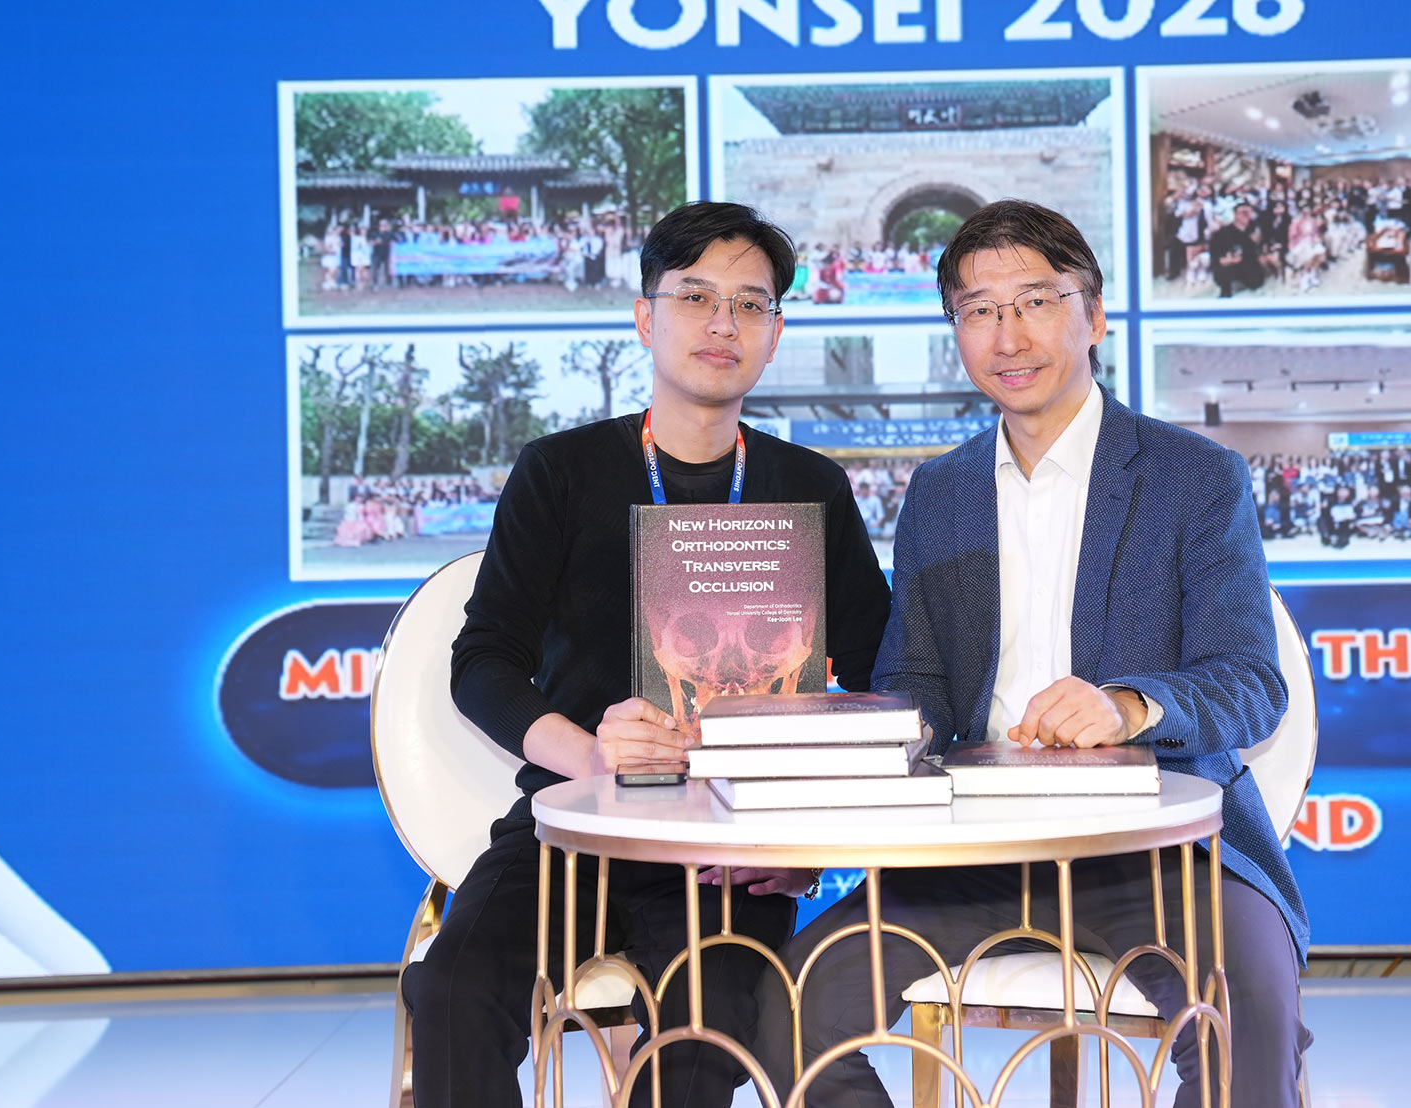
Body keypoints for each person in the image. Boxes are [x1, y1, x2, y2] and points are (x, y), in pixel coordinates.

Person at [758, 200, 1309, 1108]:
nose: (1006, 336)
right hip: (971, 849)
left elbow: (1249, 682)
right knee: (785, 1010)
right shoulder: (940, 491)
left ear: (1093, 315)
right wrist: (848, 732)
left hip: (1155, 848)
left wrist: (1128, 706)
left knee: (1244, 1018)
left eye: (1034, 302)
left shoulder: (1193, 476)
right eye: (977, 310)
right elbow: (915, 683)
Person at [400, 202, 892, 1108]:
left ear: (775, 333)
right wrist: (589, 754)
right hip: (571, 827)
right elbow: (484, 661)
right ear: (643, 316)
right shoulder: (560, 471)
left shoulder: (810, 487)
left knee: (706, 1033)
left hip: (731, 849)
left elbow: (875, 682)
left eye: (750, 304)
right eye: (695, 296)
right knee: (452, 990)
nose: (722, 324)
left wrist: (809, 848)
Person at [1209, 201, 1266, 299]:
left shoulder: (1255, 230)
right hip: (1229, 266)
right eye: (1243, 213)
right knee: (1222, 272)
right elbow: (1216, 255)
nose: (1246, 216)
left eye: (1249, 213)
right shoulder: (1222, 233)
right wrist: (1227, 260)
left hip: (1249, 267)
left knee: (1256, 282)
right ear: (1235, 215)